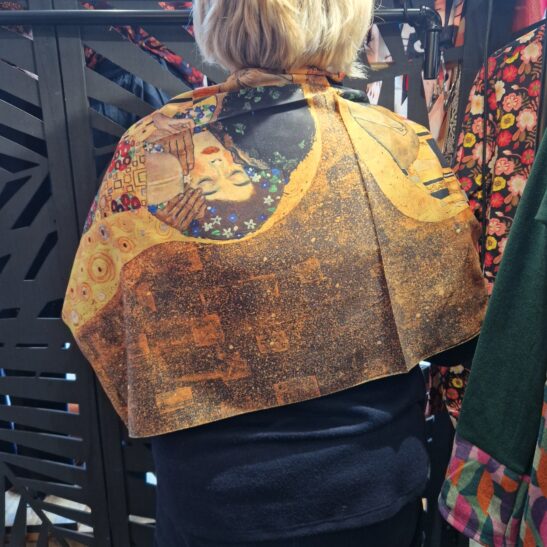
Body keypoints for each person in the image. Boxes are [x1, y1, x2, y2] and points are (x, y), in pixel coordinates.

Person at [61, 1, 488, 545]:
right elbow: (458, 331)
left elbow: (99, 322)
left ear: (214, 17)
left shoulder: (147, 150)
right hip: (370, 486)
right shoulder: (395, 145)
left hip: (210, 499)